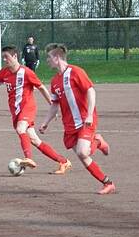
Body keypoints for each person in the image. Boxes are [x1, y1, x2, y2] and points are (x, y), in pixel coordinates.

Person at [0, 45, 71, 174]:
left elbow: (42, 88)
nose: (5, 60)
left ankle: (28, 158)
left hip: (28, 108)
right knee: (34, 140)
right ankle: (63, 161)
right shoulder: (3, 73)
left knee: (21, 129)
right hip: (15, 112)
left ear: (15, 56)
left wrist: (52, 105)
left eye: (7, 57)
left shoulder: (26, 72)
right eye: (3, 57)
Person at [39, 43, 115, 194]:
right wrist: (45, 122)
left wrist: (89, 115)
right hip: (69, 125)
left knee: (82, 152)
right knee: (83, 157)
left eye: (49, 57)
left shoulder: (76, 72)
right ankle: (108, 183)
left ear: (57, 57)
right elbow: (54, 105)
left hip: (85, 120)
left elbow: (91, 92)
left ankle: (98, 141)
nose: (47, 60)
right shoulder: (54, 81)